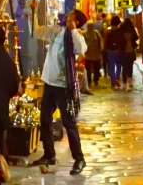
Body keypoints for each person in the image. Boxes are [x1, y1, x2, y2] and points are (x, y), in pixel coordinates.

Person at [38, 10, 88, 174]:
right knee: (44, 119)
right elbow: (37, 31)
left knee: (68, 122)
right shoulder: (58, 32)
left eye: (72, 15)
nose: (67, 16)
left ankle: (79, 159)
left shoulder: (75, 36)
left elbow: (81, 49)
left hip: (63, 86)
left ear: (77, 21)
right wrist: (31, 12)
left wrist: (73, 30)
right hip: (49, 82)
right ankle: (49, 154)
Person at [105, 14, 137, 89]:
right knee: (119, 65)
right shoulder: (121, 31)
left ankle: (113, 82)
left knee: (112, 66)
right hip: (119, 51)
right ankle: (117, 78)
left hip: (110, 51)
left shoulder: (109, 32)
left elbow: (106, 41)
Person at [82, 14, 105, 91]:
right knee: (89, 69)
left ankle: (95, 80)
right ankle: (89, 81)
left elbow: (101, 41)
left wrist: (101, 49)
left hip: (95, 54)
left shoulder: (96, 33)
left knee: (96, 69)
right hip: (89, 55)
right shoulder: (85, 34)